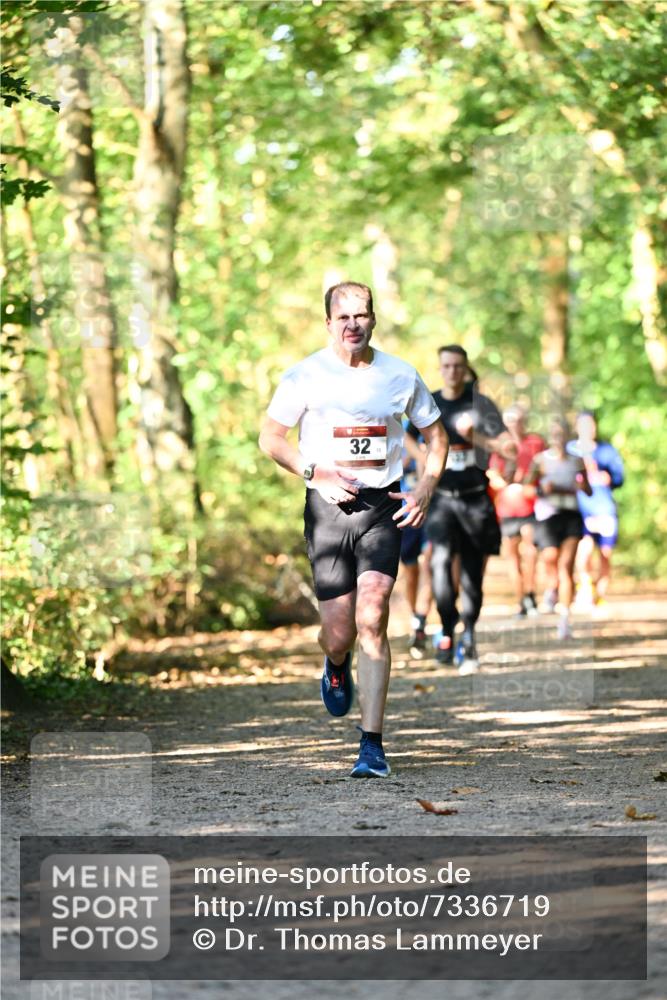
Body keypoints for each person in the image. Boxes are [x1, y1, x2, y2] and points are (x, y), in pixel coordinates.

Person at [259, 282, 447, 778]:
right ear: (328, 323)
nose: (352, 324)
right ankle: (335, 663)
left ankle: (372, 745)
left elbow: (436, 434)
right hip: (327, 508)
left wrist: (426, 485)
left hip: (383, 507)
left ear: (373, 320)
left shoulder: (400, 375)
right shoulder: (304, 375)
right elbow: (271, 437)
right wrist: (313, 472)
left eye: (361, 315)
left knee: (373, 617)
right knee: (339, 631)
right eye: (343, 317)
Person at [409, 345, 516, 673]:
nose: (452, 371)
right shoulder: (430, 401)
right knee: (438, 565)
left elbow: (511, 447)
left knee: (471, 575)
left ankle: (468, 635)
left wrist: (478, 437)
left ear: (465, 368)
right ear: (439, 368)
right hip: (441, 498)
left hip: (474, 498)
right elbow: (407, 436)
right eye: (446, 366)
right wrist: (422, 459)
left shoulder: (480, 405)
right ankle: (446, 627)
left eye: (458, 366)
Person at [524, 417, 592, 640]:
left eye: (562, 433)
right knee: (551, 560)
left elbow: (589, 490)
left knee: (566, 566)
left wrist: (581, 486)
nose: (558, 438)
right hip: (548, 517)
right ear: (550, 437)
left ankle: (564, 619)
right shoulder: (540, 460)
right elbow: (527, 489)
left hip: (571, 516)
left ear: (567, 436)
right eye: (554, 434)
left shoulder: (577, 461)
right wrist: (543, 490)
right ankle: (552, 588)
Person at [487, 406, 545, 617]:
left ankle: (531, 595)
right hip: (507, 509)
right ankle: (521, 599)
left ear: (524, 421)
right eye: (509, 420)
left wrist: (529, 482)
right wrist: (505, 484)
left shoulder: (535, 443)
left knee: (530, 553)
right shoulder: (500, 447)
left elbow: (544, 467)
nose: (514, 424)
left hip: (530, 507)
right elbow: (492, 474)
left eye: (517, 420)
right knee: (513, 559)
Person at [567, 411, 624, 608]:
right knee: (583, 555)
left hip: (605, 510)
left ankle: (599, 594)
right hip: (581, 512)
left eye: (590, 425)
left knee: (605, 555)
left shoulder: (607, 451)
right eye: (582, 425)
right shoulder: (570, 450)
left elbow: (619, 478)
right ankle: (586, 588)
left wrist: (606, 478)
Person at [398, 427, 433, 658]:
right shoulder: (394, 433)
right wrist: (411, 456)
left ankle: (420, 621)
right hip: (403, 513)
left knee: (430, 563)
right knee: (410, 572)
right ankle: (414, 618)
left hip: (431, 513)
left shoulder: (432, 433)